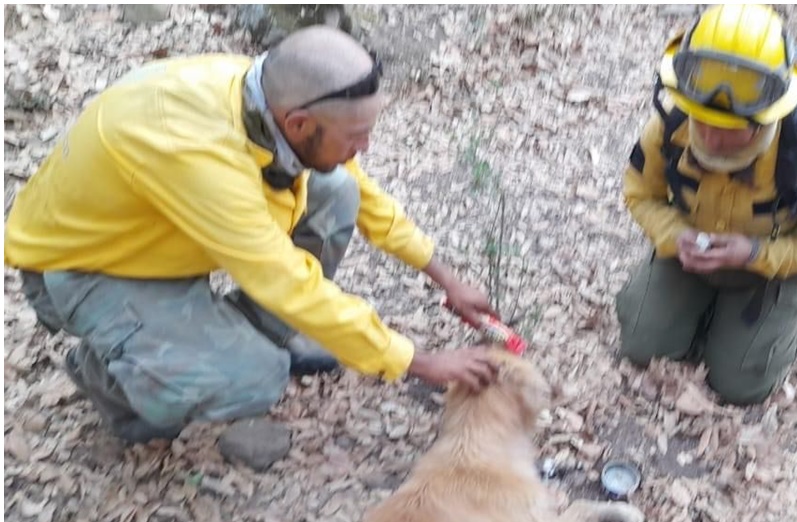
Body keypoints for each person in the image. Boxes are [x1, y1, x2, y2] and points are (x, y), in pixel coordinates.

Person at [4, 26, 501, 444]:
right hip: (85, 271)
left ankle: (243, 335)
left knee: (336, 188)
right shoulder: (195, 150)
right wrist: (418, 361)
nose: (364, 147)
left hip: (159, 240)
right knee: (257, 378)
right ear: (299, 122)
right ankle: (112, 378)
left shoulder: (262, 91)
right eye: (355, 137)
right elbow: (283, 279)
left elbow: (353, 183)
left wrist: (444, 277)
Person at [615, 3, 797, 406]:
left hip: (769, 269)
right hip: (688, 256)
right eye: (702, 121)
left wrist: (754, 253)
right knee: (640, 345)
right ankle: (708, 314)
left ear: (767, 117)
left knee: (741, 385)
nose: (712, 138)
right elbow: (639, 193)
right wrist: (675, 237)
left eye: (731, 129)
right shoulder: (671, 123)